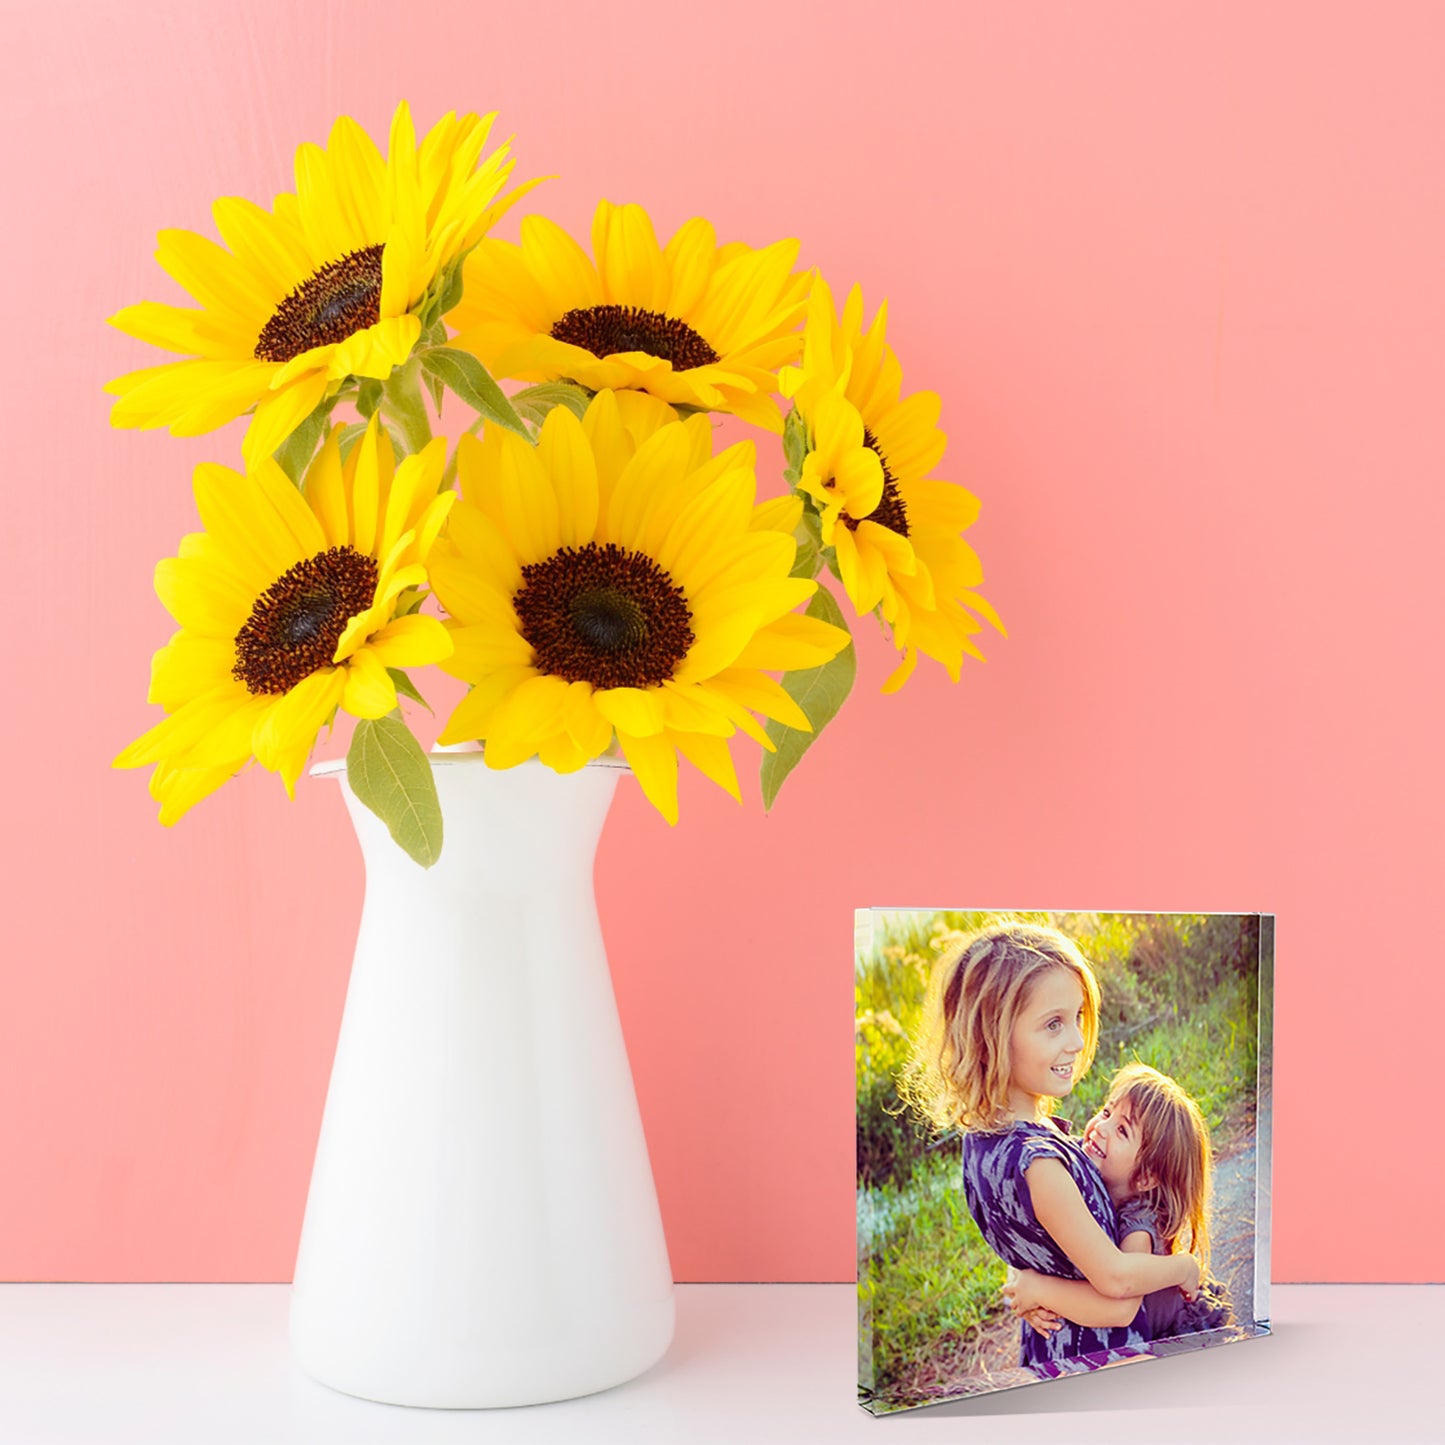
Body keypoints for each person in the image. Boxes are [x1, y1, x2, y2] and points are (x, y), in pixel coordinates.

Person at [899, 921, 1200, 1376]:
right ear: (991, 1037)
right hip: (1099, 1358)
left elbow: (1038, 1244)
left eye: (1077, 1016)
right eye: (1054, 1024)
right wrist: (1182, 1266)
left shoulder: (981, 1143)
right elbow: (1117, 1290)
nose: (1077, 1041)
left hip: (1051, 1354)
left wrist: (1031, 1283)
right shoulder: (1039, 1164)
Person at [1002, 1063, 1235, 1340]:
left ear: (1146, 1177)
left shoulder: (1139, 1220)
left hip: (1168, 1335)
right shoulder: (1076, 1164)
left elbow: (1122, 1296)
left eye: (1122, 1131)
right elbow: (1032, 1226)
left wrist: (1184, 1267)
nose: (1101, 1128)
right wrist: (1024, 1291)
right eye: (1106, 1112)